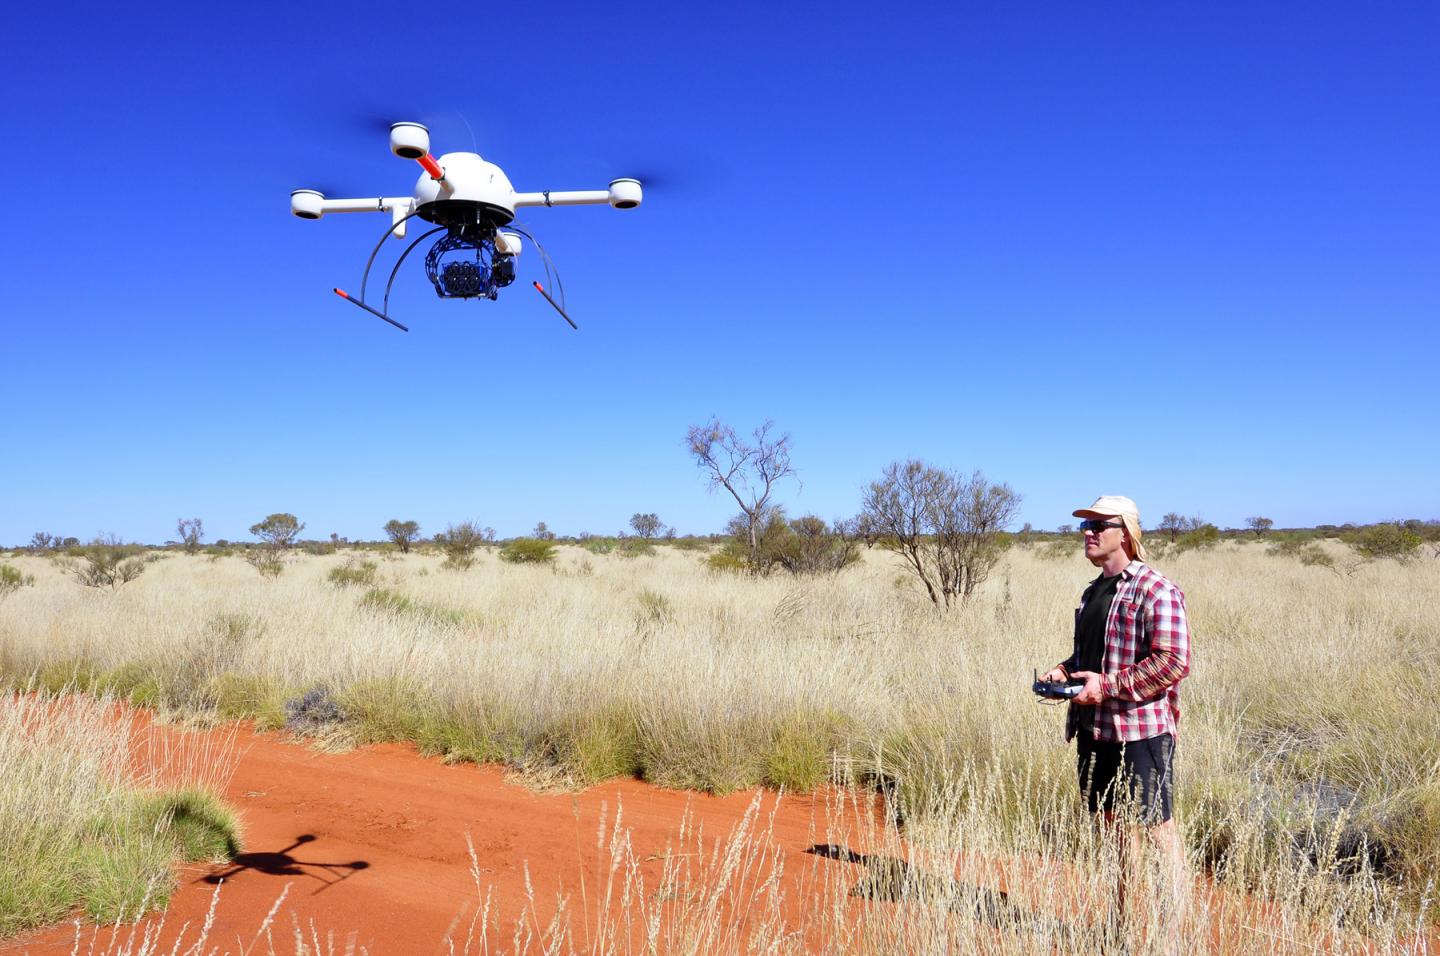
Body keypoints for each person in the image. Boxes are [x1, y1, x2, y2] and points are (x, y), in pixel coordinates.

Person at [1040, 495, 1191, 949]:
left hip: (1141, 732)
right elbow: (1093, 658)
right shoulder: (1092, 592)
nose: (1087, 532)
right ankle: (1122, 930)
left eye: (1098, 525)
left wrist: (1105, 687)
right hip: (1094, 730)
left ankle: (1173, 933)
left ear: (1124, 532)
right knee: (1113, 831)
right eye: (1085, 526)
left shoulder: (1155, 588)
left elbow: (1173, 662)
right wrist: (1064, 673)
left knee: (1158, 830)